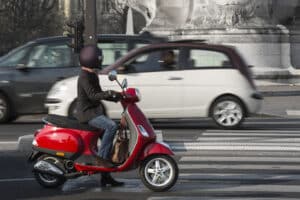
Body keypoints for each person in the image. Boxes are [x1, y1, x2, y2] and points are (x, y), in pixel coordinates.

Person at [76, 45, 124, 187]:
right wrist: (109, 93)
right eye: (98, 57)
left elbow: (99, 94)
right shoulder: (84, 76)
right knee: (111, 126)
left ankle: (106, 177)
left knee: (109, 138)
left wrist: (117, 96)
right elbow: (93, 96)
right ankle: (101, 161)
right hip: (87, 114)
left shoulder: (91, 74)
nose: (100, 59)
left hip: (94, 111)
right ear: (91, 58)